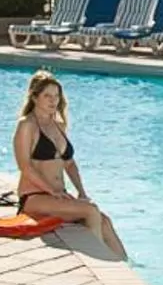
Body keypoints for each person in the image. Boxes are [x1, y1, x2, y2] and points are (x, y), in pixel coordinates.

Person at [11, 70, 127, 257]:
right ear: (34, 97)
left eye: (56, 96)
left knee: (105, 221)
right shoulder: (27, 125)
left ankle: (124, 265)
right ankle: (99, 261)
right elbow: (25, 167)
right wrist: (52, 191)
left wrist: (81, 191)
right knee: (90, 212)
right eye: (47, 96)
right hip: (35, 197)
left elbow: (69, 164)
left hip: (59, 196)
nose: (53, 101)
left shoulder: (59, 125)